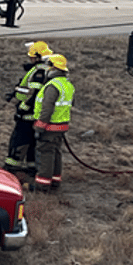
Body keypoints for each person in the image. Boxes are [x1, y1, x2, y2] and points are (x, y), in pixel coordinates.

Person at [4, 41, 52, 174]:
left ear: (38, 57)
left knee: (20, 140)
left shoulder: (40, 72)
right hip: (34, 114)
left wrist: (22, 109)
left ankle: (12, 167)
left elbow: (34, 94)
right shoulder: (44, 69)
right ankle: (32, 167)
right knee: (32, 143)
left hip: (28, 114)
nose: (30, 59)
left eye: (32, 57)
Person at [31, 54, 75, 192]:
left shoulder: (52, 86)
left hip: (49, 126)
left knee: (46, 153)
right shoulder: (67, 85)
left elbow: (47, 108)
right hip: (61, 126)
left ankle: (42, 185)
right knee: (56, 153)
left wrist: (39, 126)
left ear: (53, 68)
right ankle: (55, 181)